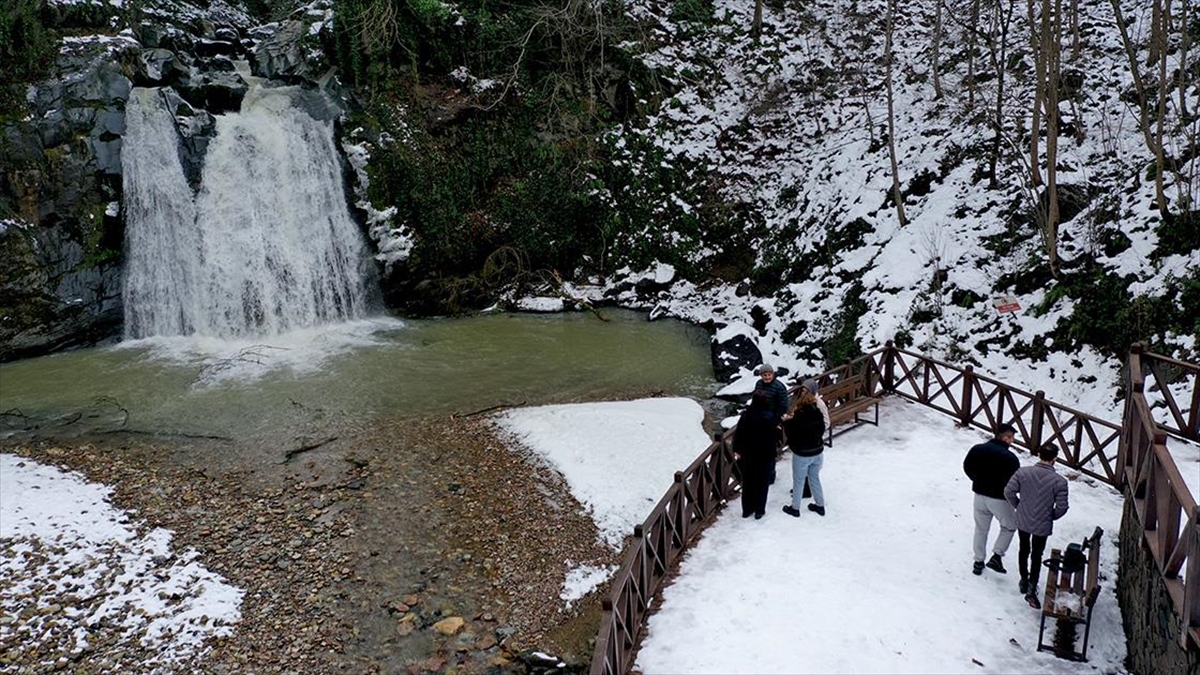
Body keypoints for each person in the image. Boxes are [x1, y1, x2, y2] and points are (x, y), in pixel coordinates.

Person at [1005, 443, 1070, 608]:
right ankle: (1032, 587)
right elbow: (1062, 507)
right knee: (1037, 555)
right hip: (1042, 523)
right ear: (1055, 458)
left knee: (1023, 549)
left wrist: (1019, 506)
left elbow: (1009, 492)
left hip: (1024, 519)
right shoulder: (1060, 482)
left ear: (1039, 454)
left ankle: (1023, 580)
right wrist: (1050, 516)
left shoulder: (1023, 472)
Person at [962, 423, 1020, 576]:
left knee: (981, 529)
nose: (1012, 441)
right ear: (1006, 438)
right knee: (1009, 526)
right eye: (1012, 438)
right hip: (1000, 498)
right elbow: (1014, 482)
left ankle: (978, 561)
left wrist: (977, 480)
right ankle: (997, 555)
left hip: (979, 495)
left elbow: (967, 466)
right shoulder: (1010, 458)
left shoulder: (977, 449)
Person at [781, 387, 827, 517]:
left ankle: (795, 508)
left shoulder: (799, 416)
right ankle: (820, 505)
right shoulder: (818, 412)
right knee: (815, 478)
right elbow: (822, 428)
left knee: (799, 480)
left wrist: (786, 422)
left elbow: (792, 434)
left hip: (802, 454)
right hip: (818, 452)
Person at [732, 391, 778, 520]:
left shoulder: (746, 415)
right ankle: (759, 510)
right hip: (764, 455)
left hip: (748, 455)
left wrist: (737, 449)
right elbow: (773, 437)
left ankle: (747, 509)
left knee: (748, 483)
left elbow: (739, 433)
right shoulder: (769, 416)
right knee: (762, 484)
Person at [753, 363, 789, 484]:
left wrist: (774, 420)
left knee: (770, 450)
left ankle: (770, 475)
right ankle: (760, 472)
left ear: (773, 374)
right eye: (764, 375)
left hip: (773, 421)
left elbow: (784, 405)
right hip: (760, 420)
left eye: (769, 375)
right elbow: (756, 400)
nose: (767, 377)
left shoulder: (779, 387)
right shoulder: (758, 384)